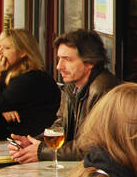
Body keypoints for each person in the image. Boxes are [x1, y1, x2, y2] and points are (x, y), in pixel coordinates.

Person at [9, 29, 119, 164]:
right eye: (59, 59)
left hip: (98, 172)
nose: (58, 66)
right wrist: (34, 142)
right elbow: (61, 125)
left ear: (90, 62)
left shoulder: (105, 91)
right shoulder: (71, 87)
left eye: (67, 59)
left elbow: (94, 146)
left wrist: (41, 151)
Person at [0, 29, 60, 145]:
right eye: (0, 47)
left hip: (32, 141)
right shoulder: (11, 74)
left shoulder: (31, 78)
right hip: (14, 138)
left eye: (7, 48)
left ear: (23, 52)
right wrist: (3, 108)